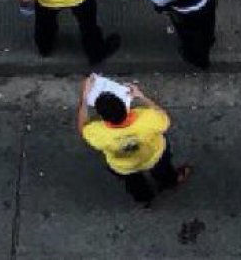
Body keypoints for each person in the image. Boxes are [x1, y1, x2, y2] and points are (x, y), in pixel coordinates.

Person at [78, 77, 191, 207]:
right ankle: (170, 182)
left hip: (124, 166)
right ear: (125, 106)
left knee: (133, 183)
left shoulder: (97, 131)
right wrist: (141, 96)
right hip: (154, 155)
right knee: (164, 171)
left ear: (102, 117)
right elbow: (163, 117)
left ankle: (144, 197)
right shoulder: (146, 118)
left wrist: (85, 97)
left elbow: (83, 128)